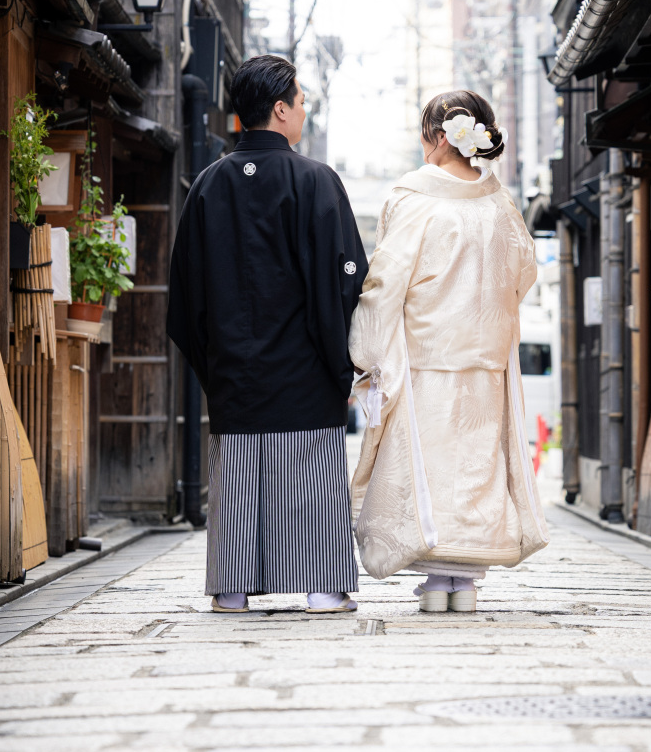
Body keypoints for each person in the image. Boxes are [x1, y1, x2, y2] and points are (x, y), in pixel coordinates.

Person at [167, 54, 367, 614]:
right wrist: (340, 361)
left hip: (234, 372)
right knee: (313, 477)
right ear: (280, 110)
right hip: (307, 371)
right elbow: (347, 277)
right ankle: (324, 587)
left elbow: (184, 293)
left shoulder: (207, 185)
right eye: (301, 101)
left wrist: (215, 365)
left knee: (238, 481)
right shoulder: (317, 181)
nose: (303, 110)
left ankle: (232, 589)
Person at [349, 90, 549, 613]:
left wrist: (367, 350)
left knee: (428, 467)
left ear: (440, 138)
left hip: (427, 359)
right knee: (475, 467)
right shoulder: (500, 202)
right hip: (486, 360)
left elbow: (386, 281)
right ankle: (465, 584)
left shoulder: (413, 198)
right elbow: (523, 271)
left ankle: (438, 582)